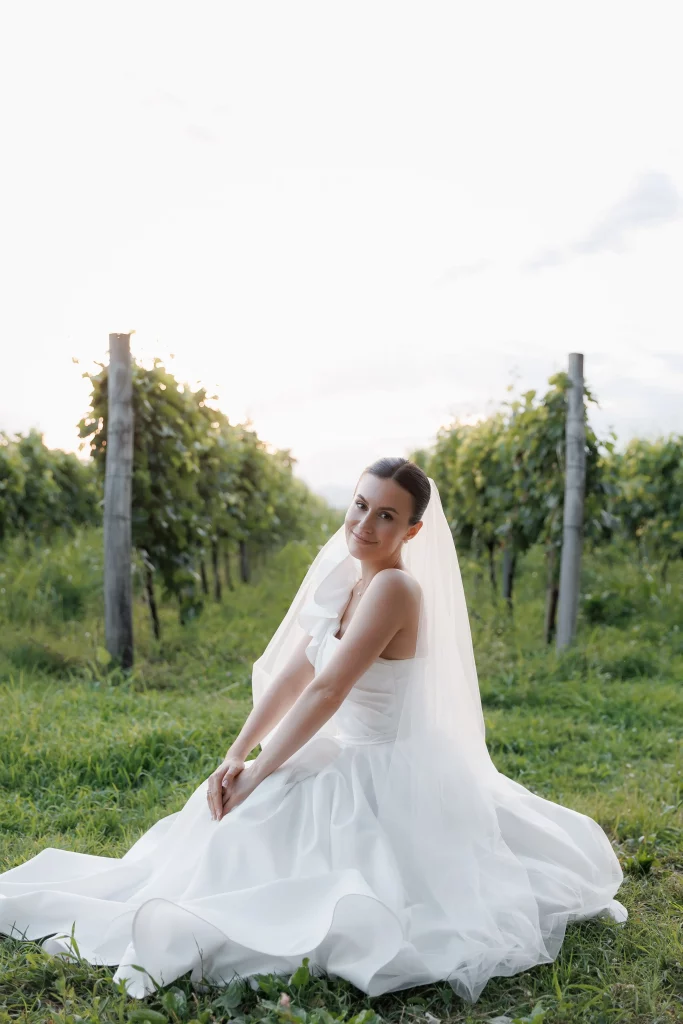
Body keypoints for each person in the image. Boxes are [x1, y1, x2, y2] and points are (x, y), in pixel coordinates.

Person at [0, 457, 627, 1003]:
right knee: (224, 828)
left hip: (381, 766)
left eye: (387, 515)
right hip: (331, 750)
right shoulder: (342, 580)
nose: (365, 523)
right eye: (360, 505)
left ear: (412, 529)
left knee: (263, 821)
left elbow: (330, 690)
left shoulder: (395, 589)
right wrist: (236, 754)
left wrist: (261, 771)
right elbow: (295, 675)